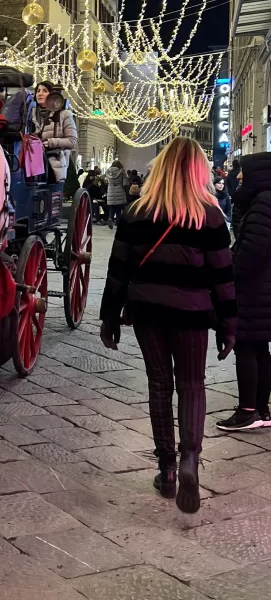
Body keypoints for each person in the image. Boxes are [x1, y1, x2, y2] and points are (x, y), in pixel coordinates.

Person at [99, 137, 236, 514]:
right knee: (192, 384)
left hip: (147, 311)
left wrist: (110, 317)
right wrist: (228, 325)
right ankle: (190, 458)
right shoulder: (209, 216)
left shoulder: (136, 212)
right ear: (198, 172)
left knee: (159, 384)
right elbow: (224, 279)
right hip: (192, 313)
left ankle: (167, 470)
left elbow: (118, 271)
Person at [216, 152, 271, 431]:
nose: (238, 177)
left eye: (242, 173)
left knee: (246, 346)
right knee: (260, 347)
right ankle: (261, 410)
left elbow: (253, 250)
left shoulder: (264, 204)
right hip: (262, 288)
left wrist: (230, 268)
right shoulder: (262, 201)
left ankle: (248, 410)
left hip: (255, 289)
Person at [105, 159, 130, 228]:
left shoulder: (108, 172)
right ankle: (117, 223)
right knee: (118, 209)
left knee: (112, 207)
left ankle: (110, 218)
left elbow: (106, 182)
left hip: (110, 190)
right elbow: (125, 183)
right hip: (119, 190)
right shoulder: (122, 172)